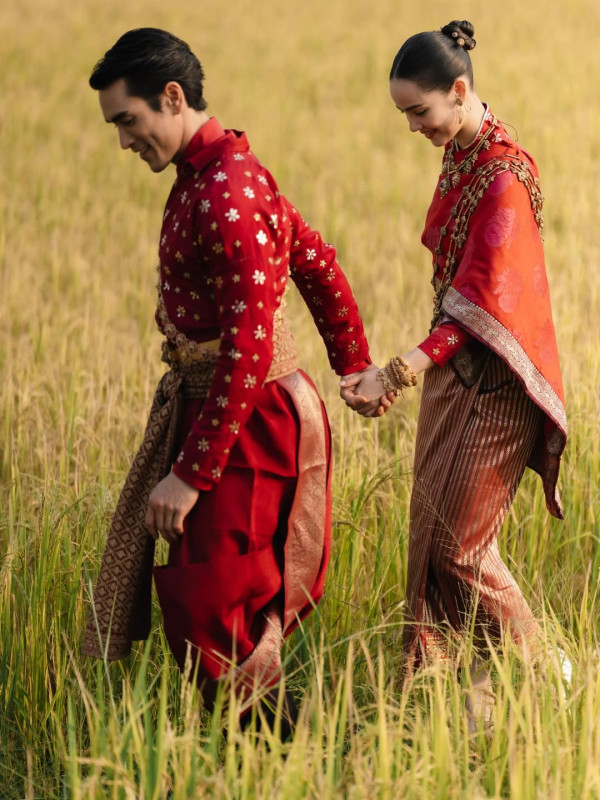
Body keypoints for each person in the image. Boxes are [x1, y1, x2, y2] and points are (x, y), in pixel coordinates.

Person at [81, 27, 377, 736]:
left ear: (171, 97)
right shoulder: (212, 176)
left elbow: (248, 346)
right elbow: (315, 259)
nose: (123, 141)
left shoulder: (227, 190)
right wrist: (351, 360)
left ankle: (288, 758)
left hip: (250, 419)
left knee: (216, 606)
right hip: (228, 409)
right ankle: (264, 760)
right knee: (212, 605)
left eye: (128, 119)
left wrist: (190, 474)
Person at [340, 20, 567, 727]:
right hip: (454, 376)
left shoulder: (502, 178)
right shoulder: (461, 154)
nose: (413, 128)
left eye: (420, 111)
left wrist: (395, 372)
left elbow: (480, 304)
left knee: (459, 549)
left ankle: (549, 675)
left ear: (460, 91)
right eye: (405, 114)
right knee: (431, 543)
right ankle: (475, 707)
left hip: (498, 385)